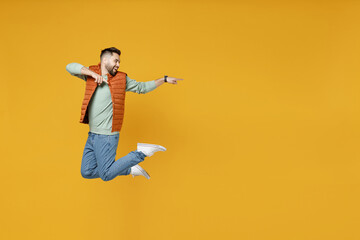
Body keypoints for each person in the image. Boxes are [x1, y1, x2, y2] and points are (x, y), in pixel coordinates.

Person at [66, 47, 183, 181]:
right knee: (86, 171)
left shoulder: (121, 79)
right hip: (92, 134)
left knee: (106, 175)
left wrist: (164, 79)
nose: (118, 64)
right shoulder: (90, 74)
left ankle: (140, 153)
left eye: (119, 62)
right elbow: (69, 67)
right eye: (116, 61)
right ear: (105, 60)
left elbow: (142, 88)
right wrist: (93, 74)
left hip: (107, 136)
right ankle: (130, 168)